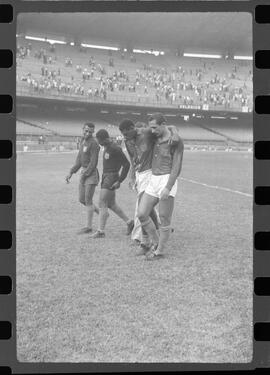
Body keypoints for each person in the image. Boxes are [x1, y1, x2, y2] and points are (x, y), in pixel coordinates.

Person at [119, 118, 180, 253]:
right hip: (140, 175)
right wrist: (133, 175)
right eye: (123, 135)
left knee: (143, 208)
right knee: (147, 210)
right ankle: (150, 239)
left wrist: (175, 134)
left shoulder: (146, 133)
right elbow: (132, 159)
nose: (125, 137)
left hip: (150, 173)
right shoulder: (127, 141)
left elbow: (169, 126)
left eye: (127, 133)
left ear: (132, 128)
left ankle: (149, 242)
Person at [137, 113, 184, 260]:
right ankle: (156, 242)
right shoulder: (154, 136)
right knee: (142, 213)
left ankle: (160, 252)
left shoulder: (176, 142)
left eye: (155, 127)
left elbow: (177, 166)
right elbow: (170, 127)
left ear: (163, 124)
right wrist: (174, 129)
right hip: (153, 178)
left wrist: (168, 187)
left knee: (164, 218)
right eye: (151, 128)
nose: (152, 130)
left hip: (166, 179)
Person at [91, 129, 134, 238]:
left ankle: (101, 231)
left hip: (111, 177)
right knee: (111, 204)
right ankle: (130, 222)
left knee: (102, 203)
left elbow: (126, 164)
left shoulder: (115, 148)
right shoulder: (107, 146)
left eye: (99, 141)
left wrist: (119, 180)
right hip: (106, 176)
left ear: (105, 139)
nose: (99, 143)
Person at [65, 123, 100, 234]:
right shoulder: (82, 141)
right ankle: (102, 213)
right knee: (82, 199)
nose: (88, 133)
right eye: (86, 131)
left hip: (91, 174)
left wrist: (85, 174)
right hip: (83, 173)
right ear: (82, 130)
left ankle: (88, 227)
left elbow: (93, 162)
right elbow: (79, 160)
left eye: (90, 132)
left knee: (88, 200)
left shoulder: (94, 143)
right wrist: (71, 171)